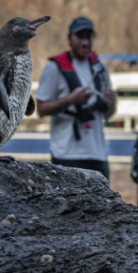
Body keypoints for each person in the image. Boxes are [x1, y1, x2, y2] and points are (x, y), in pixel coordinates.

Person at [36, 16, 117, 180]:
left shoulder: (101, 69)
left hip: (98, 153)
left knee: (102, 205)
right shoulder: (53, 69)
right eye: (80, 37)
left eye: (89, 37)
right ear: (69, 38)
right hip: (66, 153)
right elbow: (41, 109)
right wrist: (71, 100)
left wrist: (111, 104)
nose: (85, 42)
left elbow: (107, 115)